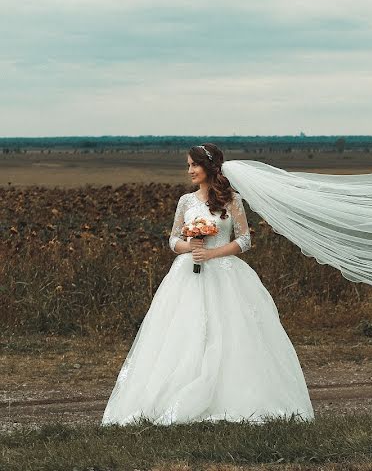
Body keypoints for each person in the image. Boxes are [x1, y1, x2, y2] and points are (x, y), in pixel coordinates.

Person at [102, 143, 314, 425]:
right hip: (186, 275)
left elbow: (245, 240)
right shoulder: (185, 202)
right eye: (188, 165)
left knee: (229, 333)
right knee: (183, 332)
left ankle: (232, 398)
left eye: (194, 165)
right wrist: (190, 245)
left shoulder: (232, 201)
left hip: (225, 274)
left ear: (210, 167)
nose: (189, 170)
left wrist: (213, 253)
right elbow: (172, 240)